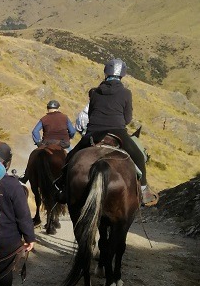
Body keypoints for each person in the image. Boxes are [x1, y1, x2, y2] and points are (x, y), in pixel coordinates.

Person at [63, 58, 158, 207]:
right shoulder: (126, 93)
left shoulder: (94, 93)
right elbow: (127, 119)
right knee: (139, 156)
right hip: (117, 132)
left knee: (70, 156)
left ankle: (62, 189)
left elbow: (90, 115)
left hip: (94, 133)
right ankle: (144, 191)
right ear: (122, 75)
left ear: (106, 73)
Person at [0, 141, 36, 286]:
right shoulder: (13, 185)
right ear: (7, 163)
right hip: (8, 237)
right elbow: (23, 216)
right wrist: (29, 237)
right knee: (6, 270)